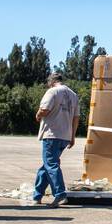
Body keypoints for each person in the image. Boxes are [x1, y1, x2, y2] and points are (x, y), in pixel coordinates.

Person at [30, 72, 80, 207]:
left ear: (51, 82)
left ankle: (60, 194)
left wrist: (38, 115)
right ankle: (37, 195)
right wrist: (72, 136)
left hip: (52, 134)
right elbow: (76, 118)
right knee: (47, 165)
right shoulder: (73, 95)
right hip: (65, 135)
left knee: (51, 165)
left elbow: (44, 109)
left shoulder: (52, 91)